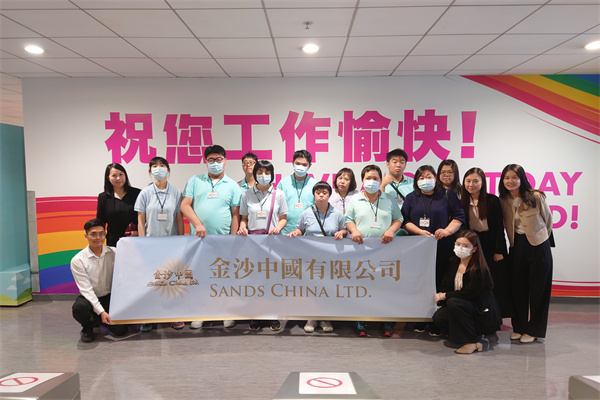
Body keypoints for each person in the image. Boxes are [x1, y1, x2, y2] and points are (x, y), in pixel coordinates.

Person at [180, 145, 242, 329]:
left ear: (225, 161)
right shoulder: (195, 180)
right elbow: (184, 205)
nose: (215, 163)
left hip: (223, 240)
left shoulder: (232, 185)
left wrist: (232, 238)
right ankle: (201, 312)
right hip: (199, 240)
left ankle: (225, 312)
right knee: (200, 277)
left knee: (224, 277)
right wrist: (198, 224)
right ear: (205, 161)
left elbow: (235, 214)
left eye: (219, 159)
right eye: (211, 160)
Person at [345, 164, 402, 337]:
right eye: (368, 178)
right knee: (361, 285)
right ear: (362, 181)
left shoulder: (389, 199)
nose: (372, 181)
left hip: (385, 249)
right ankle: (360, 321)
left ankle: (386, 321)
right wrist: (354, 230)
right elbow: (348, 219)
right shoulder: (355, 200)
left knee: (384, 286)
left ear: (380, 180)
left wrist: (391, 230)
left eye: (375, 178)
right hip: (361, 250)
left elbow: (398, 218)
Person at [499, 164, 553, 344]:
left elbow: (548, 220)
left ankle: (534, 330)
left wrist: (540, 238)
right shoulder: (503, 200)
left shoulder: (535, 196)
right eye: (507, 178)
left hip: (539, 245)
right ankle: (519, 327)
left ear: (522, 179)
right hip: (517, 246)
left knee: (539, 290)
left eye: (514, 177)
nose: (511, 181)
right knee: (518, 289)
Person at [287, 181, 347, 333]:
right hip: (311, 258)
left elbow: (344, 229)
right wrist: (295, 233)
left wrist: (341, 233)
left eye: (324, 193)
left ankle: (325, 318)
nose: (321, 195)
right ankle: (312, 318)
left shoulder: (337, 214)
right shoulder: (306, 213)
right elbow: (300, 229)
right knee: (313, 288)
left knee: (327, 288)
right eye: (318, 192)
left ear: (329, 195)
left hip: (330, 258)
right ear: (314, 195)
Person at [135, 156, 185, 332]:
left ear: (168, 170)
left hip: (171, 243)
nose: (159, 168)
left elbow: (179, 219)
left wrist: (181, 240)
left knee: (172, 281)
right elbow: (140, 221)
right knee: (151, 282)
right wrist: (142, 243)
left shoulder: (176, 192)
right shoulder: (145, 193)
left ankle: (174, 315)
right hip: (151, 244)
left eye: (162, 165)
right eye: (154, 166)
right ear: (150, 171)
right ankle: (150, 317)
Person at [431, 230, 502, 354]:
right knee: (439, 317)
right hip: (462, 306)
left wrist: (444, 296)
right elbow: (446, 285)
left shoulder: (479, 268)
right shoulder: (453, 262)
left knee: (453, 302)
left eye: (465, 246)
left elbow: (469, 293)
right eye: (458, 244)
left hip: (479, 309)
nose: (460, 248)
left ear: (474, 249)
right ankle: (470, 335)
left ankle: (472, 342)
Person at [238, 160, 287, 332]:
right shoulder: (246, 194)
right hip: (252, 243)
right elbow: (243, 219)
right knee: (254, 279)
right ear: (255, 173)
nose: (263, 175)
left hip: (272, 243)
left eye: (267, 172)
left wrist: (278, 228)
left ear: (272, 175)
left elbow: (283, 218)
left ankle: (273, 315)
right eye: (260, 172)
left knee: (272, 279)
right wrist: (242, 227)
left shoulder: (279, 194)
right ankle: (255, 315)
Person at [401, 165, 466, 292]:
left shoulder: (447, 194)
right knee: (419, 278)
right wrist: (419, 232)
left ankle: (440, 300)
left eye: (428, 177)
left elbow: (459, 217)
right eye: (421, 178)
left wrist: (447, 231)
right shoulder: (411, 197)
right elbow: (404, 220)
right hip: (417, 246)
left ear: (435, 178)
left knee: (442, 277)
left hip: (442, 244)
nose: (425, 180)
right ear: (416, 181)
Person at [461, 167, 511, 318]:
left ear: (482, 182)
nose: (471, 184)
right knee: (476, 280)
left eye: (475, 181)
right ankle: (477, 314)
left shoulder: (492, 200)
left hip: (491, 242)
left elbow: (499, 228)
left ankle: (496, 316)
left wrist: (499, 250)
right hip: (474, 243)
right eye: (468, 181)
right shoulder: (462, 201)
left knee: (495, 281)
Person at [71, 218, 128, 343]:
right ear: (86, 236)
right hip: (90, 297)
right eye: (93, 234)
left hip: (109, 297)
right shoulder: (78, 260)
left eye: (101, 234)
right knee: (79, 308)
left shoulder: (115, 252)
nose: (98, 237)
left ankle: (97, 318)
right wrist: (101, 312)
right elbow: (86, 290)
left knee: (121, 331)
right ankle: (88, 326)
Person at [96, 163, 141, 246]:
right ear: (108, 178)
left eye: (121, 174)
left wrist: (139, 232)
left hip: (136, 239)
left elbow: (144, 218)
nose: (118, 178)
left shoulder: (138, 193)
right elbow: (100, 221)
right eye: (114, 175)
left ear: (125, 175)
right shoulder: (103, 197)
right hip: (114, 242)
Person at [278, 149, 317, 235]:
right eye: (298, 163)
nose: (300, 167)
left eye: (304, 165)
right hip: (285, 231)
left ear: (309, 165)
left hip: (308, 232)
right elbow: (276, 207)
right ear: (293, 163)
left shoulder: (315, 185)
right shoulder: (283, 183)